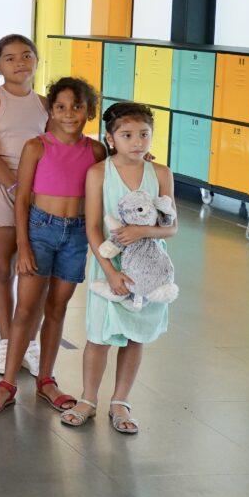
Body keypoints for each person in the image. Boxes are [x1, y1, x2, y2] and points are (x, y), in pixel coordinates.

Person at [0, 77, 105, 417]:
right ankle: (7, 384)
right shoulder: (36, 147)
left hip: (76, 235)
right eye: (60, 107)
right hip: (40, 231)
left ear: (90, 111)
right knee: (26, 309)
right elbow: (21, 199)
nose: (68, 114)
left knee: (57, 309)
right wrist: (23, 245)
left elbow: (114, 180)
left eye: (77, 107)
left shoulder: (96, 151)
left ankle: (46, 379)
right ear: (51, 111)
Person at [62, 102, 176, 434]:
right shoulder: (99, 173)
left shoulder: (161, 174)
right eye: (127, 135)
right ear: (110, 139)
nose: (137, 142)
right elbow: (92, 228)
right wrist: (110, 273)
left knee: (135, 337)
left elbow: (171, 227)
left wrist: (142, 231)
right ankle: (88, 399)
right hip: (109, 266)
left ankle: (121, 401)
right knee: (99, 336)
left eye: (144, 134)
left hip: (148, 270)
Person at [0, 34, 49, 377]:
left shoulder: (46, 105)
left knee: (35, 271)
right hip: (0, 188)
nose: (20, 62)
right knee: (3, 268)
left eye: (27, 55)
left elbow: (58, 148)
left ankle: (28, 343)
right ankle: (7, 342)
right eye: (11, 58)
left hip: (39, 193)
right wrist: (17, 188)